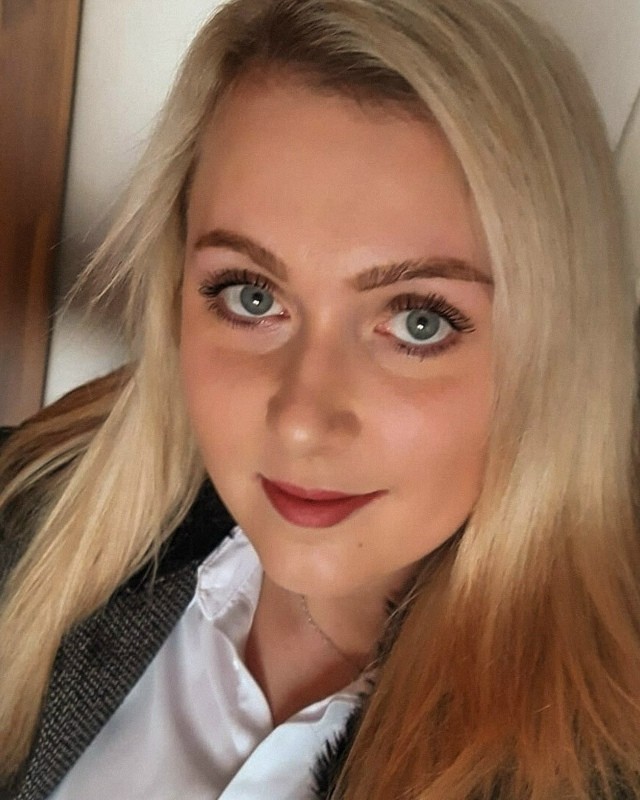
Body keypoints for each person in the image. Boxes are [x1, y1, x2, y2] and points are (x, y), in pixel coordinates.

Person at [1, 0, 639, 797]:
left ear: (558, 351)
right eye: (251, 297)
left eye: (418, 321)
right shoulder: (33, 514)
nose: (301, 421)